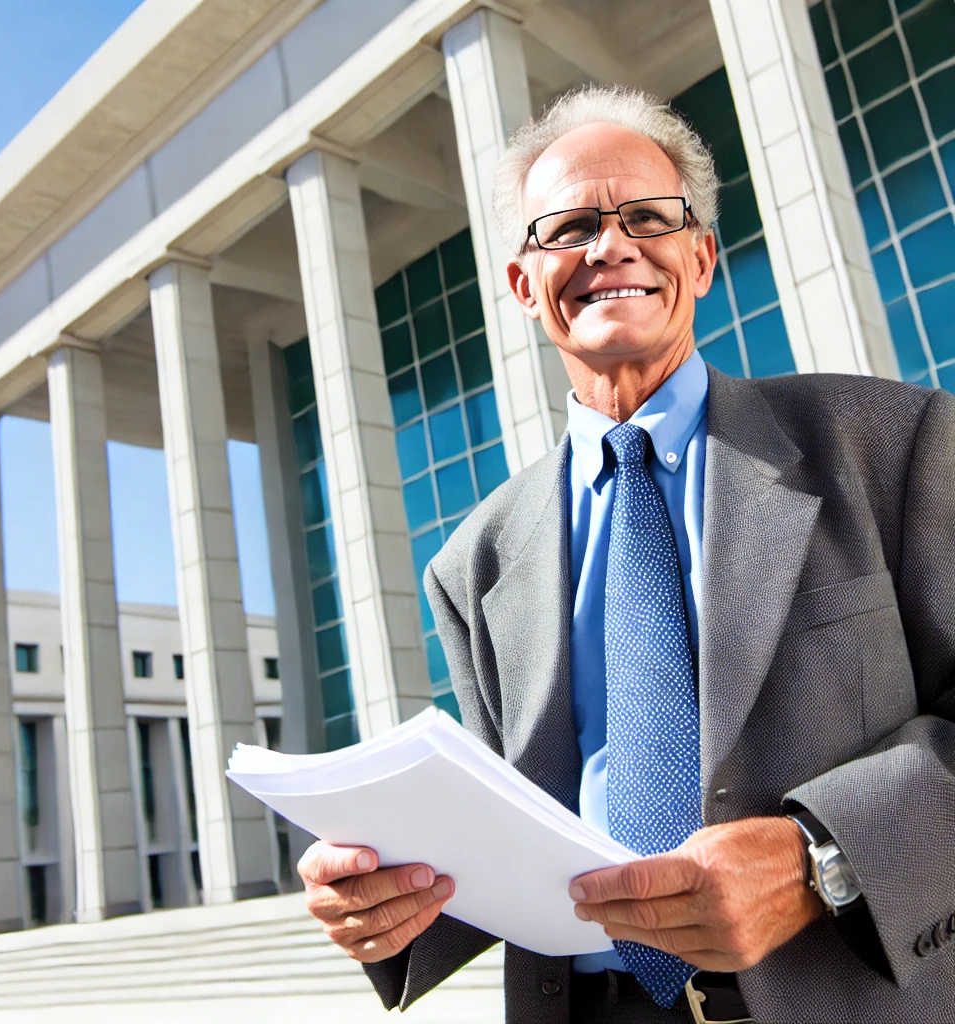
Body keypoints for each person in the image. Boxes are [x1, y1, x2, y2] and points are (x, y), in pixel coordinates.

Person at [296, 85, 955, 1023]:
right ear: (525, 285)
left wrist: (824, 861)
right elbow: (503, 827)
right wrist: (383, 892)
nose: (611, 246)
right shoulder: (474, 563)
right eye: (569, 228)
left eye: (648, 216)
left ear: (701, 256)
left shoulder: (890, 441)